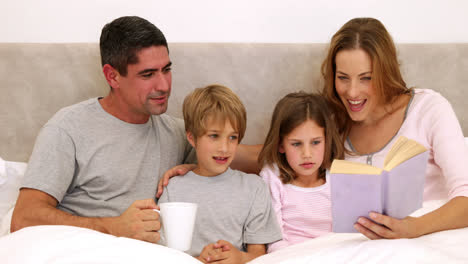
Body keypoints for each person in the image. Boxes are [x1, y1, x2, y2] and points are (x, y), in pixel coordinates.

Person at [10, 16, 197, 243]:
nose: (164, 86)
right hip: (82, 251)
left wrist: (195, 167)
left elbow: (246, 157)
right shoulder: (68, 129)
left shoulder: (177, 132)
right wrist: (114, 227)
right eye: (147, 74)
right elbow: (24, 218)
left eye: (166, 70)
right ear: (113, 76)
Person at [321, 17, 468, 239]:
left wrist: (414, 228)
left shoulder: (428, 109)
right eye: (343, 78)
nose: (352, 92)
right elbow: (281, 150)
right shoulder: (332, 122)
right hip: (356, 248)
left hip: (428, 238)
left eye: (366, 78)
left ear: (385, 72)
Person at [158, 84, 281, 263]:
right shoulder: (173, 189)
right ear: (192, 138)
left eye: (233, 137)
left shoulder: (254, 188)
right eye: (214, 136)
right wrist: (199, 260)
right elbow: (163, 255)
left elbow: (259, 256)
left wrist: (238, 257)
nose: (224, 148)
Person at [258, 92, 344, 252]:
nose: (307, 154)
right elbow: (274, 240)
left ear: (327, 140)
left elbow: (345, 234)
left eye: (316, 142)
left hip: (334, 254)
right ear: (280, 144)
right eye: (296, 144)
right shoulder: (272, 178)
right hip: (288, 255)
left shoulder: (338, 176)